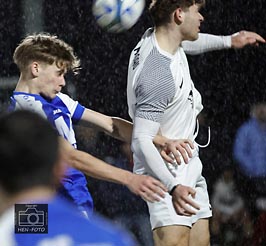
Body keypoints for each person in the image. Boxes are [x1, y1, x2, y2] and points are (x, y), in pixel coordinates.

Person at [127, 0, 265, 245]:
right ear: (179, 14)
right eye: (197, 12)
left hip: (187, 162)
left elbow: (188, 42)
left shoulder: (158, 39)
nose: (201, 18)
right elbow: (140, 140)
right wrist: (172, 187)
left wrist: (229, 41)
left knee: (202, 241)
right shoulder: (158, 73)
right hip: (167, 171)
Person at [9, 32, 190, 218]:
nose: (63, 82)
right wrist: (129, 178)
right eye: (59, 73)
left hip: (44, 203)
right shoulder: (26, 112)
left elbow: (111, 125)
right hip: (55, 202)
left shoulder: (58, 101)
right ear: (36, 68)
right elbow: (70, 157)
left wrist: (159, 140)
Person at [0, 110, 137, 246]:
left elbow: (109, 125)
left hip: (34, 210)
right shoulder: (115, 237)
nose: (62, 86)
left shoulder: (10, 234)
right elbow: (110, 124)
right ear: (61, 169)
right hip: (70, 210)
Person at [233, 103, 266, 217]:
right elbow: (239, 152)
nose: (263, 111)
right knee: (254, 210)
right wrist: (253, 169)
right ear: (255, 110)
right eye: (260, 109)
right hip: (252, 178)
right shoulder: (246, 129)